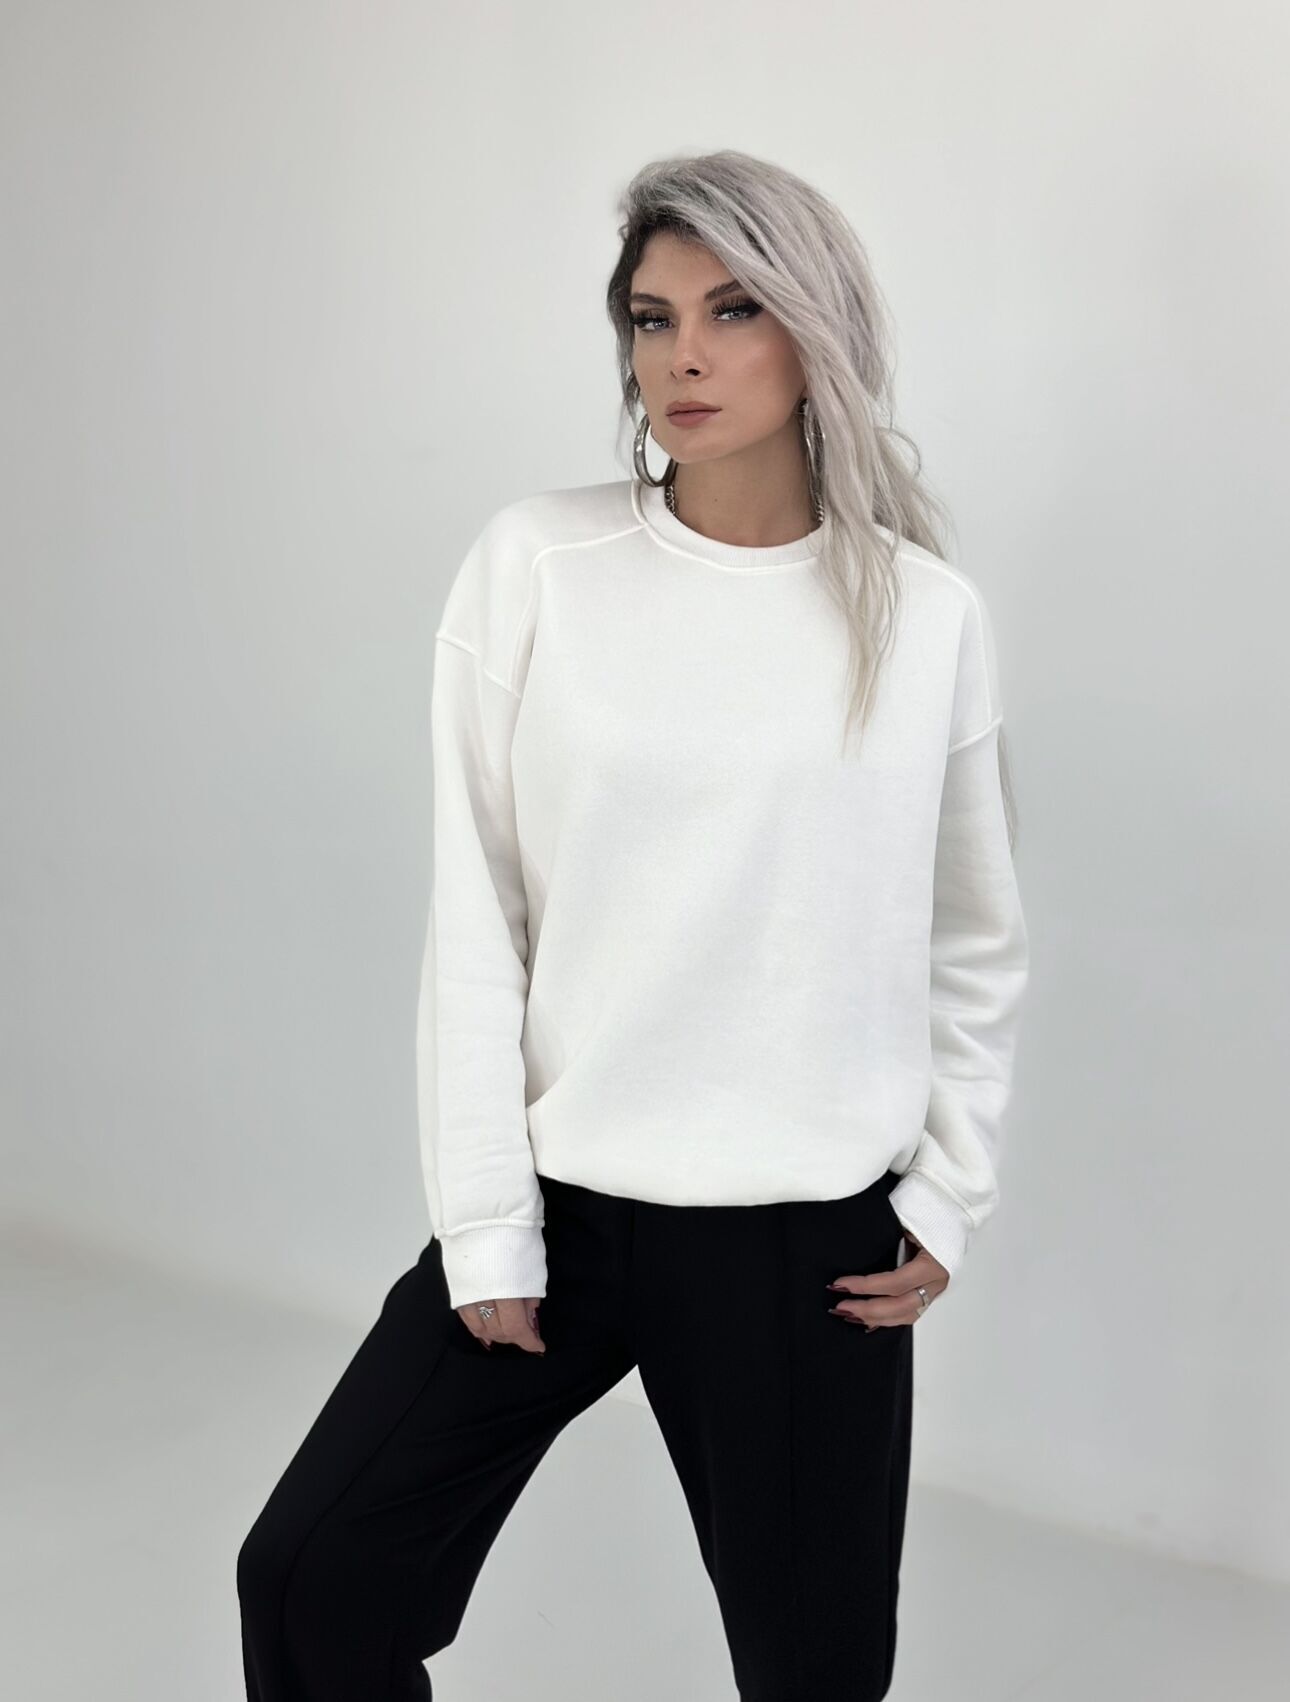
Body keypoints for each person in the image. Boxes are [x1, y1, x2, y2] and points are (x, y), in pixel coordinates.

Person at [237, 147, 1030, 1702]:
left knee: (811, 1674)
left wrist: (946, 1193)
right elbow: (480, 909)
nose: (683, 356)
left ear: (815, 328)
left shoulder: (923, 613)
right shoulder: (540, 564)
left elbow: (972, 936)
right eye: (651, 317)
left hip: (805, 1241)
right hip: (565, 1208)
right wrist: (487, 1223)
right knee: (314, 1574)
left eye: (732, 310)